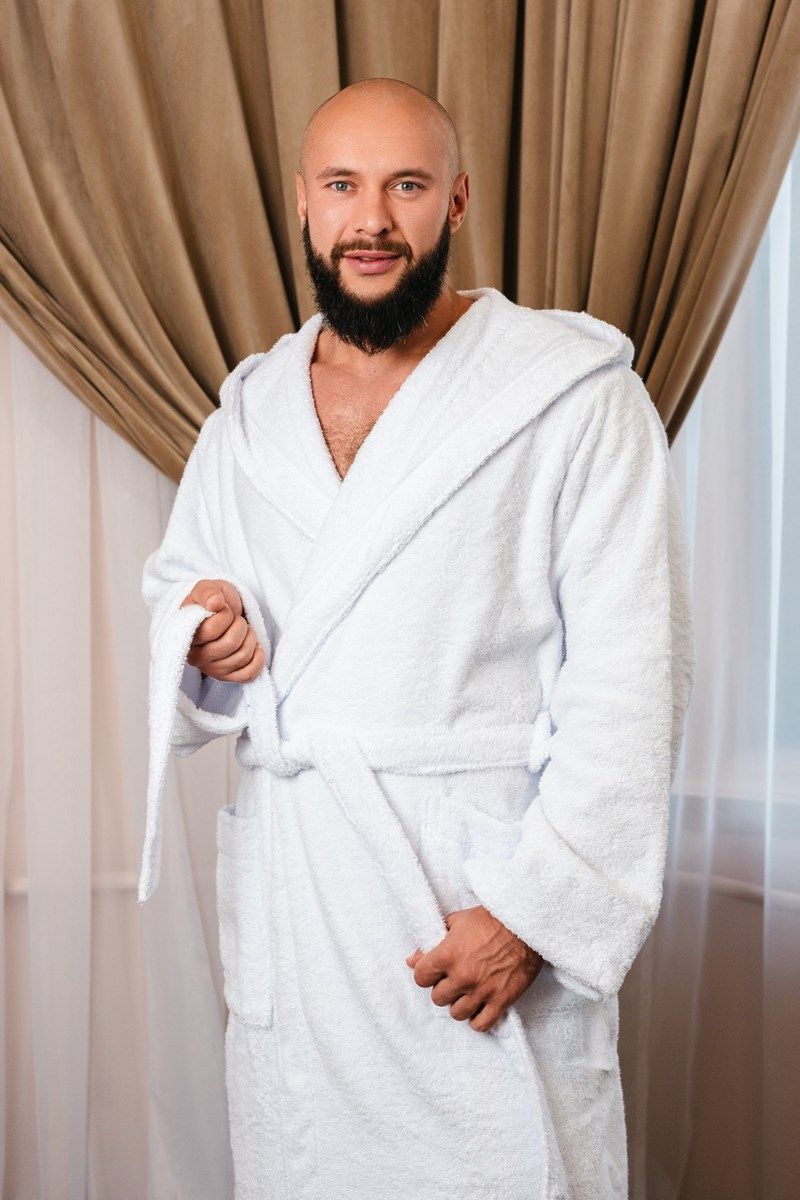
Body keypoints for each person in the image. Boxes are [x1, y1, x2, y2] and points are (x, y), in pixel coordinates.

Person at [137, 76, 695, 1200]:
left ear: (457, 201)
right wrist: (203, 633)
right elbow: (180, 586)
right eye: (343, 186)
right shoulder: (249, 412)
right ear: (303, 202)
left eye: (406, 186)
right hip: (305, 909)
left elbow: (633, 679)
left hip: (470, 907)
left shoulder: (572, 396)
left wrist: (536, 913)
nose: (372, 221)